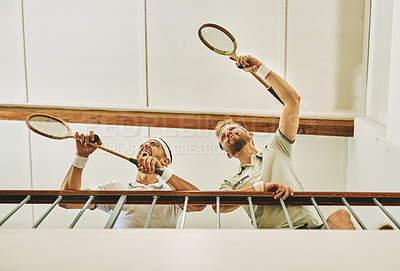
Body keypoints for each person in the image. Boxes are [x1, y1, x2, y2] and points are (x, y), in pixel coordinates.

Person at [213, 55, 355, 229]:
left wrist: (260, 68)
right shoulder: (230, 183)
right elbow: (218, 205)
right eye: (223, 137)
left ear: (250, 134)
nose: (228, 133)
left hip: (312, 228)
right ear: (228, 153)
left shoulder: (277, 147)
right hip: (275, 237)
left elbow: (293, 102)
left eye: (233, 128)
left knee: (342, 215)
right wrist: (261, 188)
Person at [60, 131, 205, 228]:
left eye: (154, 145)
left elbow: (200, 204)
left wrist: (162, 173)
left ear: (166, 161)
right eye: (142, 145)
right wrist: (81, 156)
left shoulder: (172, 191)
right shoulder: (115, 188)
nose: (145, 145)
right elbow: (67, 203)